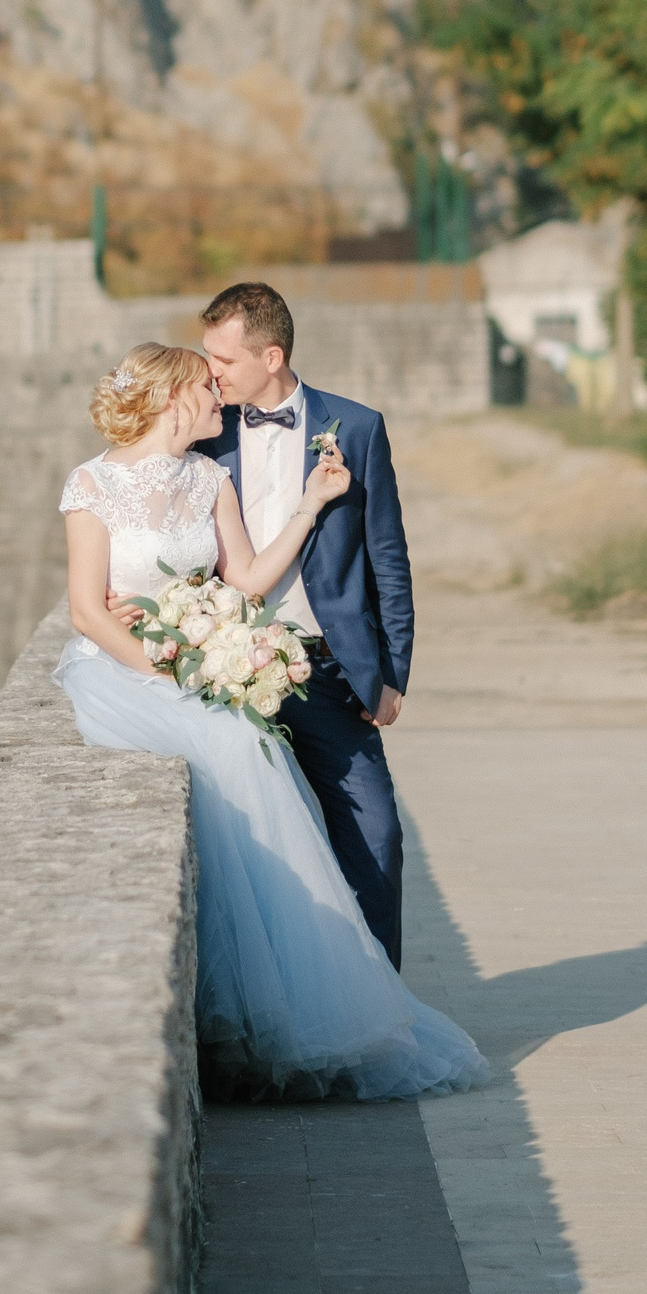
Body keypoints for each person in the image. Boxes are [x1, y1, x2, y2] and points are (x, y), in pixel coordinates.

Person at [56, 341, 483, 1102]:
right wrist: (164, 667)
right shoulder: (91, 484)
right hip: (122, 672)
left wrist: (311, 505)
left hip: (189, 662)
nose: (220, 398)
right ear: (176, 398)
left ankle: (294, 1010)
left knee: (248, 748)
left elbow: (248, 580)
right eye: (207, 387)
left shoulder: (208, 478)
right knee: (232, 741)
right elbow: (89, 611)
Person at [197, 279, 412, 969]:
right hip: (226, 669)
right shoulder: (204, 431)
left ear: (272, 356)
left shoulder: (357, 427)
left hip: (329, 670)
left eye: (223, 359)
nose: (210, 372)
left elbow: (387, 558)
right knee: (255, 848)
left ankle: (379, 1000)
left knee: (376, 837)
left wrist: (392, 673)